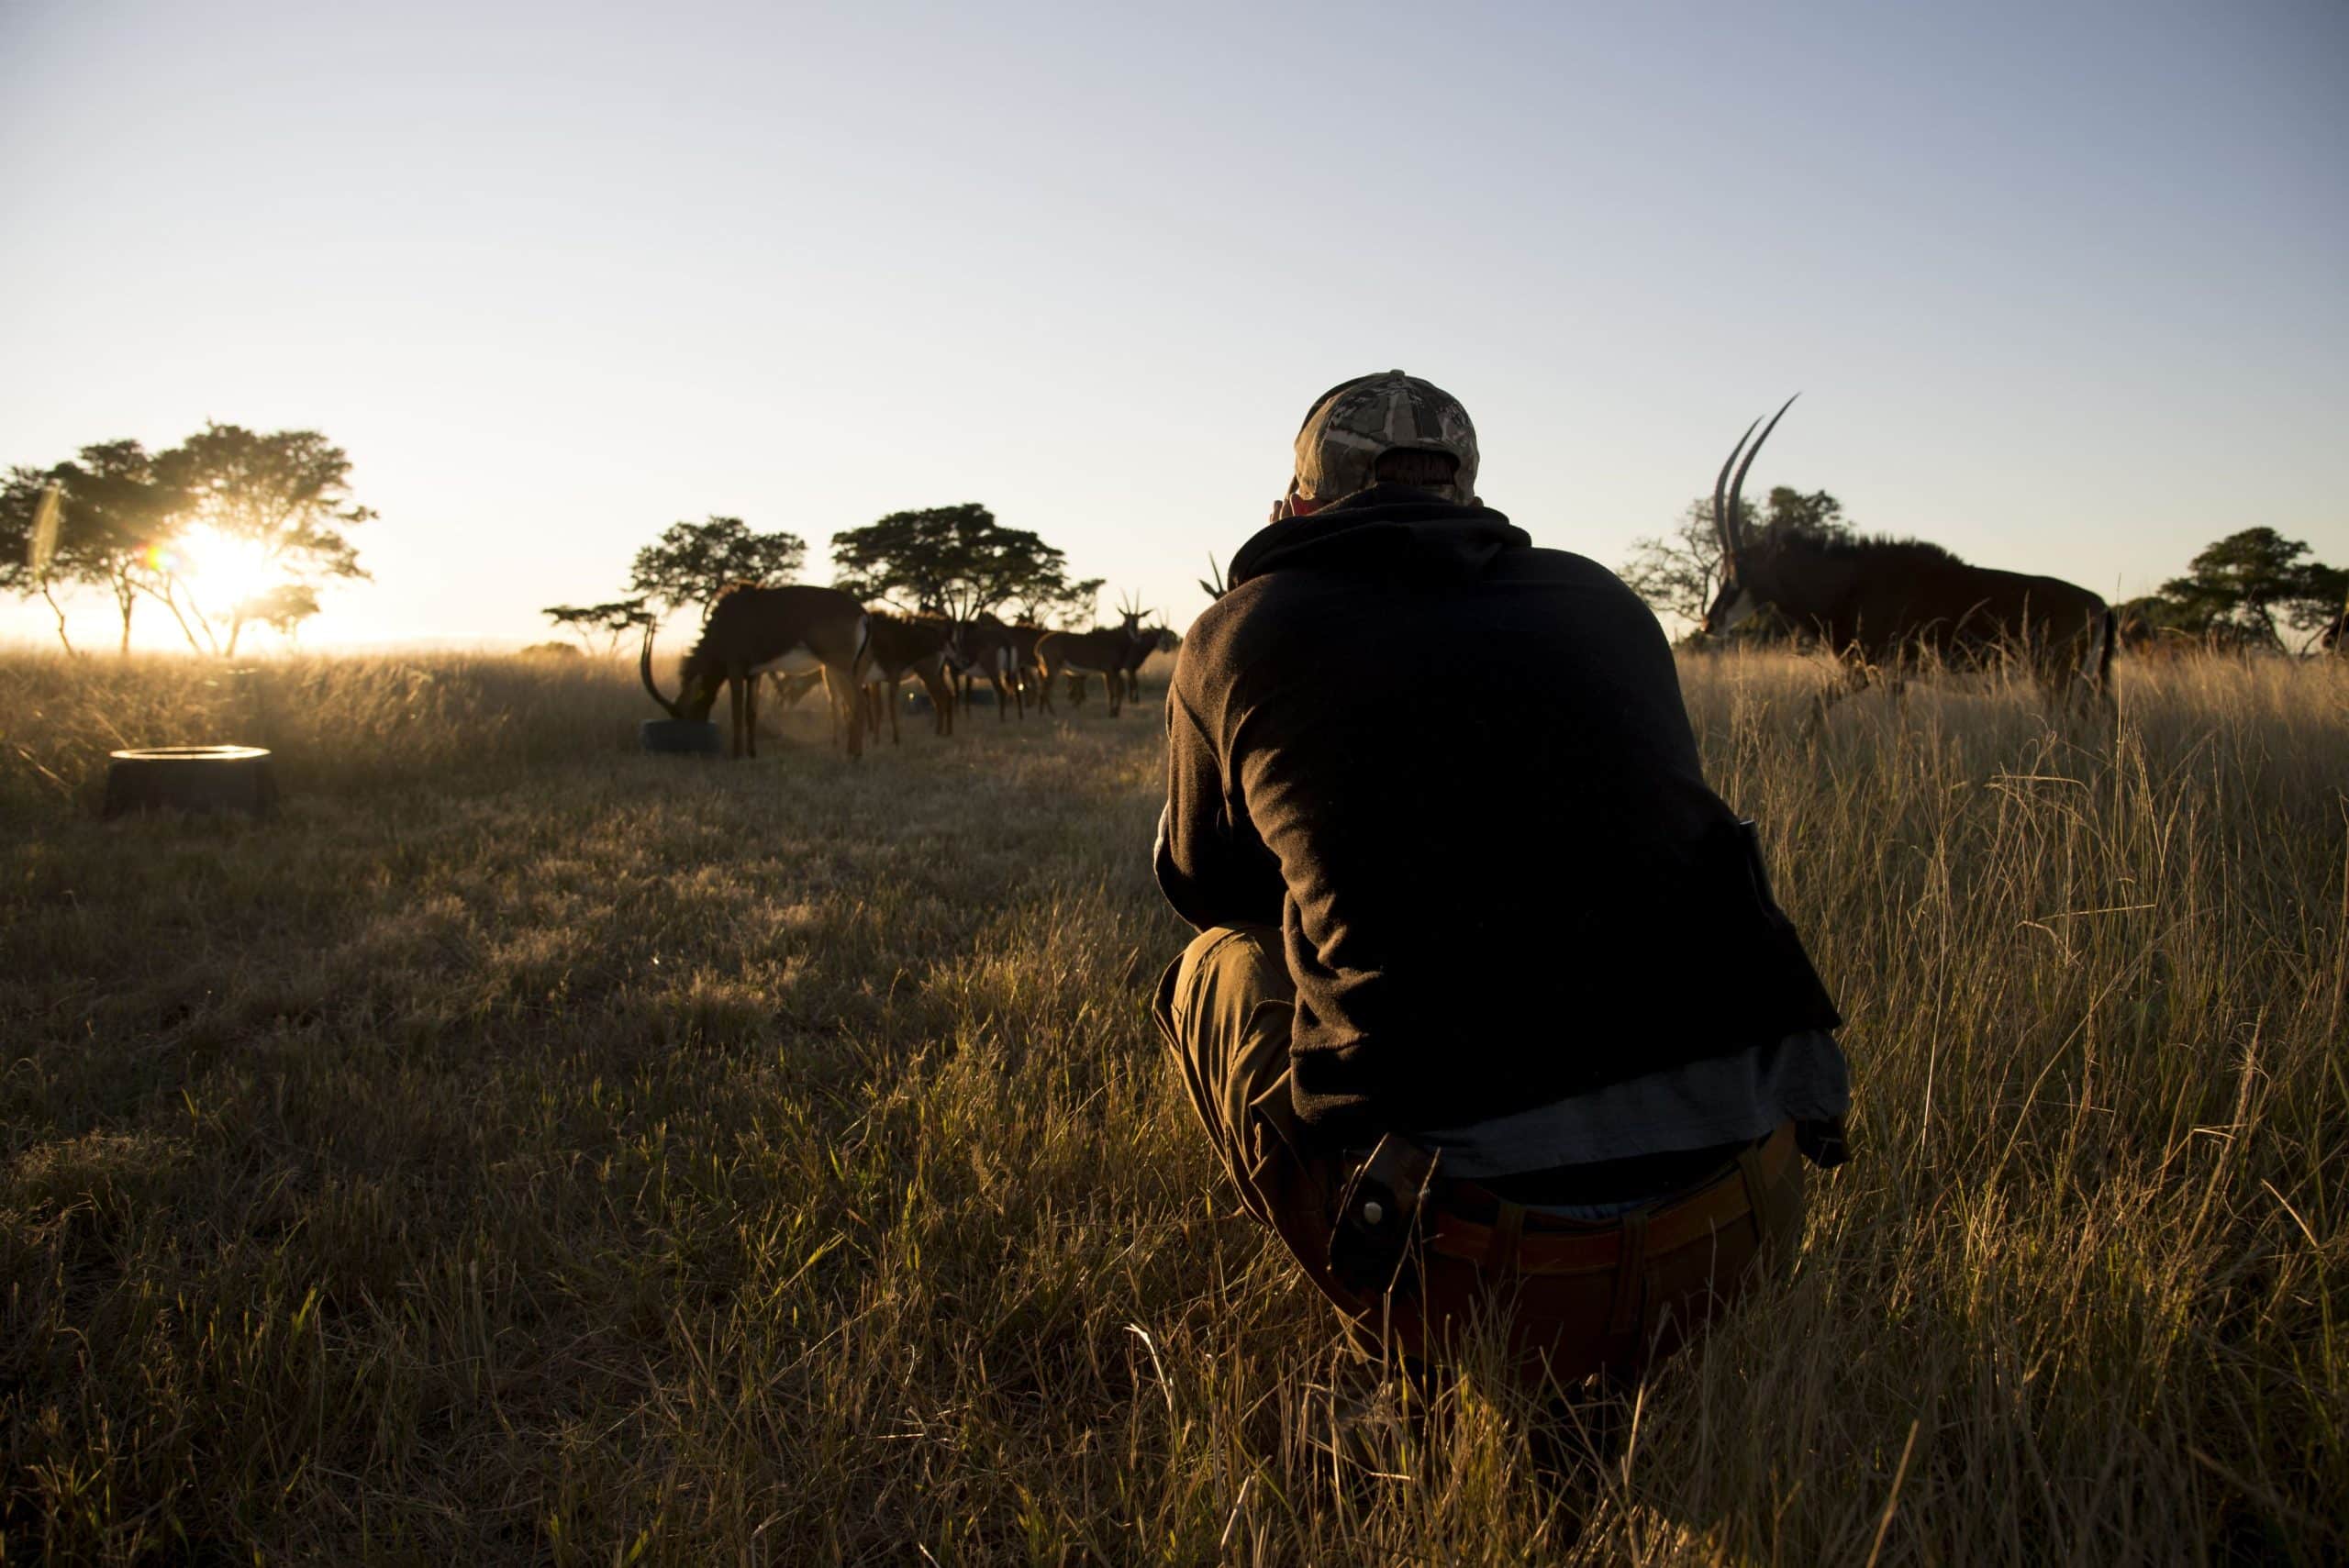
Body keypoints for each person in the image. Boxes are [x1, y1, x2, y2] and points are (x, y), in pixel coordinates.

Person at [1152, 372, 1851, 1386]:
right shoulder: (1605, 598)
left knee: (1215, 964)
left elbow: (1205, 887)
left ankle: (1405, 1358)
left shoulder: (1238, 629)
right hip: (1741, 1220)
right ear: (1468, 493)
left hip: (1480, 1266)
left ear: (1299, 502)